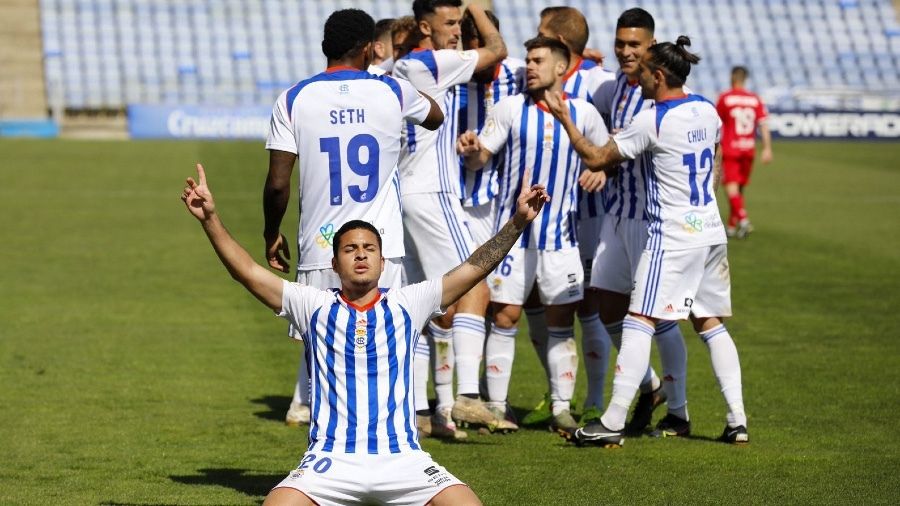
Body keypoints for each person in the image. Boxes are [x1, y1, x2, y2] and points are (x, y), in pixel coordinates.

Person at [180, 163, 549, 506]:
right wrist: (210, 220)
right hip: (330, 461)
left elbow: (472, 270)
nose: (360, 255)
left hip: (404, 461)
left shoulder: (409, 302)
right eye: (350, 249)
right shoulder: (312, 305)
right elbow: (246, 272)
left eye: (369, 248)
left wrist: (516, 222)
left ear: (382, 262)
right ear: (334, 263)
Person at [545, 36, 749, 447]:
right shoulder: (706, 109)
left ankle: (613, 421)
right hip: (709, 229)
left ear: (659, 75)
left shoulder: (653, 119)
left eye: (643, 73)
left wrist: (565, 119)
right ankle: (737, 422)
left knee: (639, 321)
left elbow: (596, 159)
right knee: (710, 324)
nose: (636, 77)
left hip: (671, 235)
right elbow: (716, 154)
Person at [262, 9, 443, 428]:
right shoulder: (391, 90)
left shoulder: (293, 98)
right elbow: (435, 116)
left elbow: (277, 184)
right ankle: (387, 448)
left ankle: (324, 456)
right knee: (385, 349)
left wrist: (272, 233)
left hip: (321, 248)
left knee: (325, 362)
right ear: (368, 48)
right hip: (379, 249)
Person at [457, 36, 609, 436]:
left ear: (561, 68)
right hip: (514, 237)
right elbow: (481, 156)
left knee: (561, 320)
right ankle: (496, 407)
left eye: (538, 60)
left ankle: (562, 408)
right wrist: (472, 149)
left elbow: (604, 156)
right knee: (504, 316)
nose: (530, 66)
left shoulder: (585, 114)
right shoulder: (510, 108)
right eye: (527, 59)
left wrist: (602, 170)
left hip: (562, 238)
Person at [392, 0, 512, 436]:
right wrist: (478, 9)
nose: (458, 31)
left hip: (405, 193)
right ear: (426, 27)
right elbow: (497, 48)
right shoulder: (432, 63)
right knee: (475, 278)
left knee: (428, 303)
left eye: (459, 23)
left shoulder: (403, 67)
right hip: (432, 191)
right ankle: (467, 397)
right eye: (450, 23)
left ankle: (426, 410)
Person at [586, 7, 692, 437]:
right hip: (617, 213)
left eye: (634, 45)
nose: (626, 51)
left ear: (651, 46)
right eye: (621, 43)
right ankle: (650, 386)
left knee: (656, 316)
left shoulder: (662, 93)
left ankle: (677, 407)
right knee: (606, 302)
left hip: (652, 221)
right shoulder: (613, 86)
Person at [520, 6, 616, 429]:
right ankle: (557, 392)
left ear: (560, 44)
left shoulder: (599, 81)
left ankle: (594, 400)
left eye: (542, 35)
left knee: (588, 307)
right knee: (540, 304)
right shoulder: (539, 74)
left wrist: (602, 165)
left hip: (591, 213)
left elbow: (623, 134)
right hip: (550, 216)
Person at [457, 9, 525, 427]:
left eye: (482, 38)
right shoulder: (448, 70)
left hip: (495, 204)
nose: (473, 46)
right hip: (447, 196)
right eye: (467, 37)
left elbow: (558, 72)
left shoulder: (516, 73)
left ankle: (485, 400)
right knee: (448, 303)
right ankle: (449, 402)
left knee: (502, 306)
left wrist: (583, 60)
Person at [716, 65, 773, 239]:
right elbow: (763, 124)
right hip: (748, 148)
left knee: (731, 186)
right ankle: (732, 226)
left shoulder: (725, 98)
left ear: (732, 78)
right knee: (739, 187)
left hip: (731, 148)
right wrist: (767, 148)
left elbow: (715, 123)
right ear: (745, 79)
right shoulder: (755, 99)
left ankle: (743, 219)